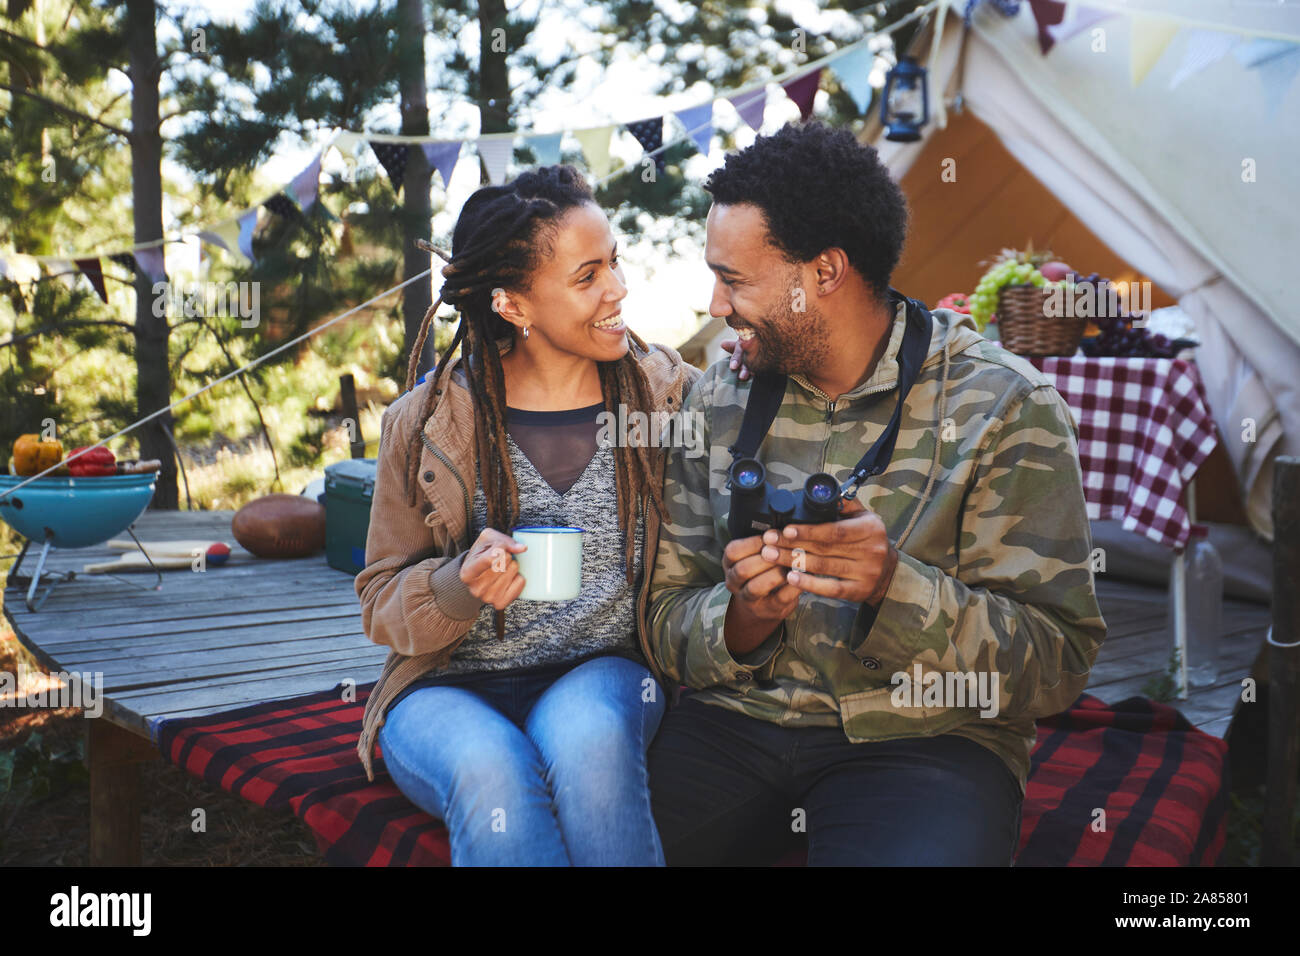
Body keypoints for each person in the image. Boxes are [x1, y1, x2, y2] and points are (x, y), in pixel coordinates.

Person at [645, 121, 1107, 866]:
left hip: (926, 742)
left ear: (824, 272)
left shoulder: (1005, 406)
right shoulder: (718, 399)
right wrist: (741, 620)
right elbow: (663, 613)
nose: (716, 306)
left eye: (733, 279)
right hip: (735, 723)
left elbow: (1057, 661)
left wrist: (895, 589)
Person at [354, 164, 699, 866]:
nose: (618, 289)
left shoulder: (667, 398)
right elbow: (379, 598)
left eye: (615, 263)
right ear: (513, 305)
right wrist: (456, 586)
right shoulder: (424, 424)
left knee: (592, 748)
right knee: (496, 771)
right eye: (587, 276)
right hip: (443, 686)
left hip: (601, 669)